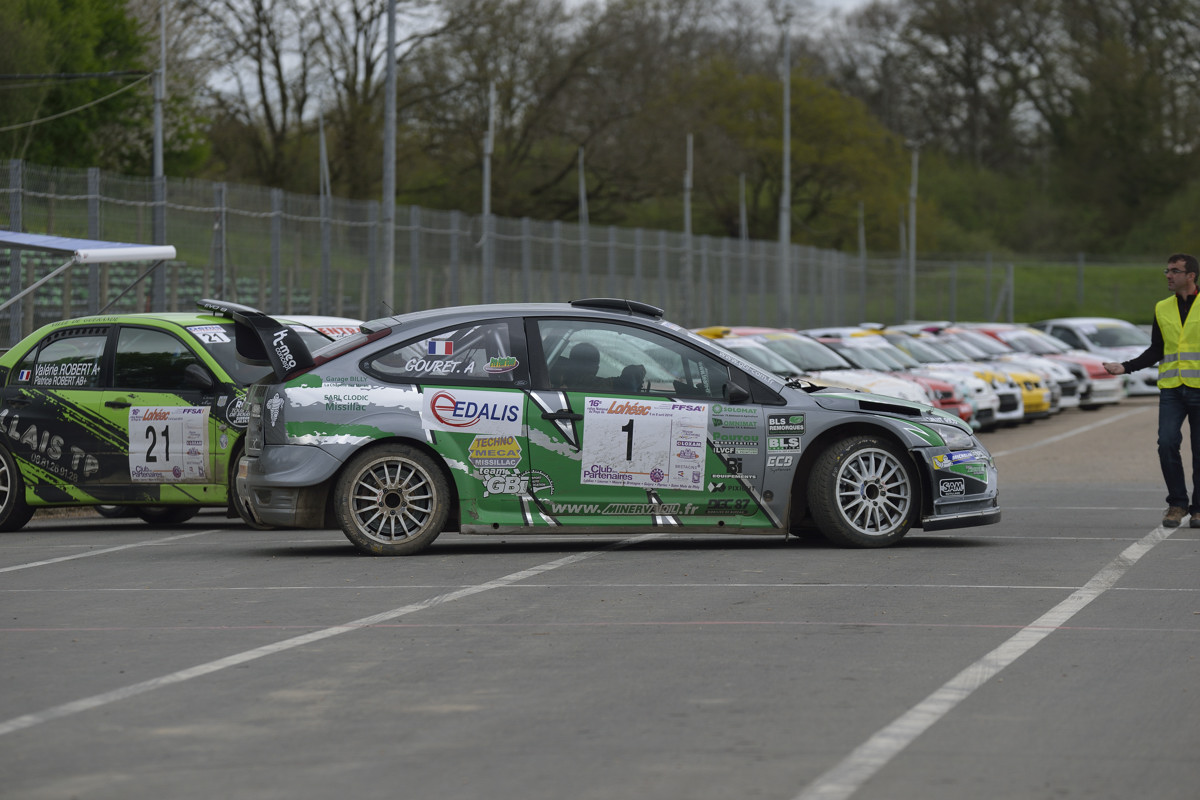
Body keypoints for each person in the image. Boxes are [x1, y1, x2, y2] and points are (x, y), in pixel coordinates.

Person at [1103, 253, 1200, 528]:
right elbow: (1157, 349)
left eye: (1174, 271)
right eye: (1167, 270)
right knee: (1167, 443)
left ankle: (1199, 509)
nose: (1168, 275)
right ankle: (1178, 504)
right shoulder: (1162, 307)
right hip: (1172, 389)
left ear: (1190, 275)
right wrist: (1126, 367)